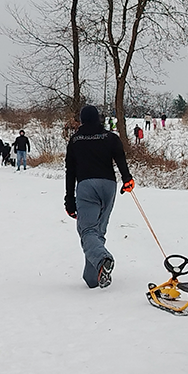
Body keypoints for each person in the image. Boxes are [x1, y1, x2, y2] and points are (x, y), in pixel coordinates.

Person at [65, 104, 134, 289]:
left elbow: (70, 171)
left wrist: (69, 199)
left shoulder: (75, 140)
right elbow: (120, 158)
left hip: (86, 186)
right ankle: (93, 277)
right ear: (98, 119)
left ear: (82, 120)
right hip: (108, 186)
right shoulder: (110, 137)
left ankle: (103, 259)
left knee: (87, 230)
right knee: (98, 232)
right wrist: (127, 179)